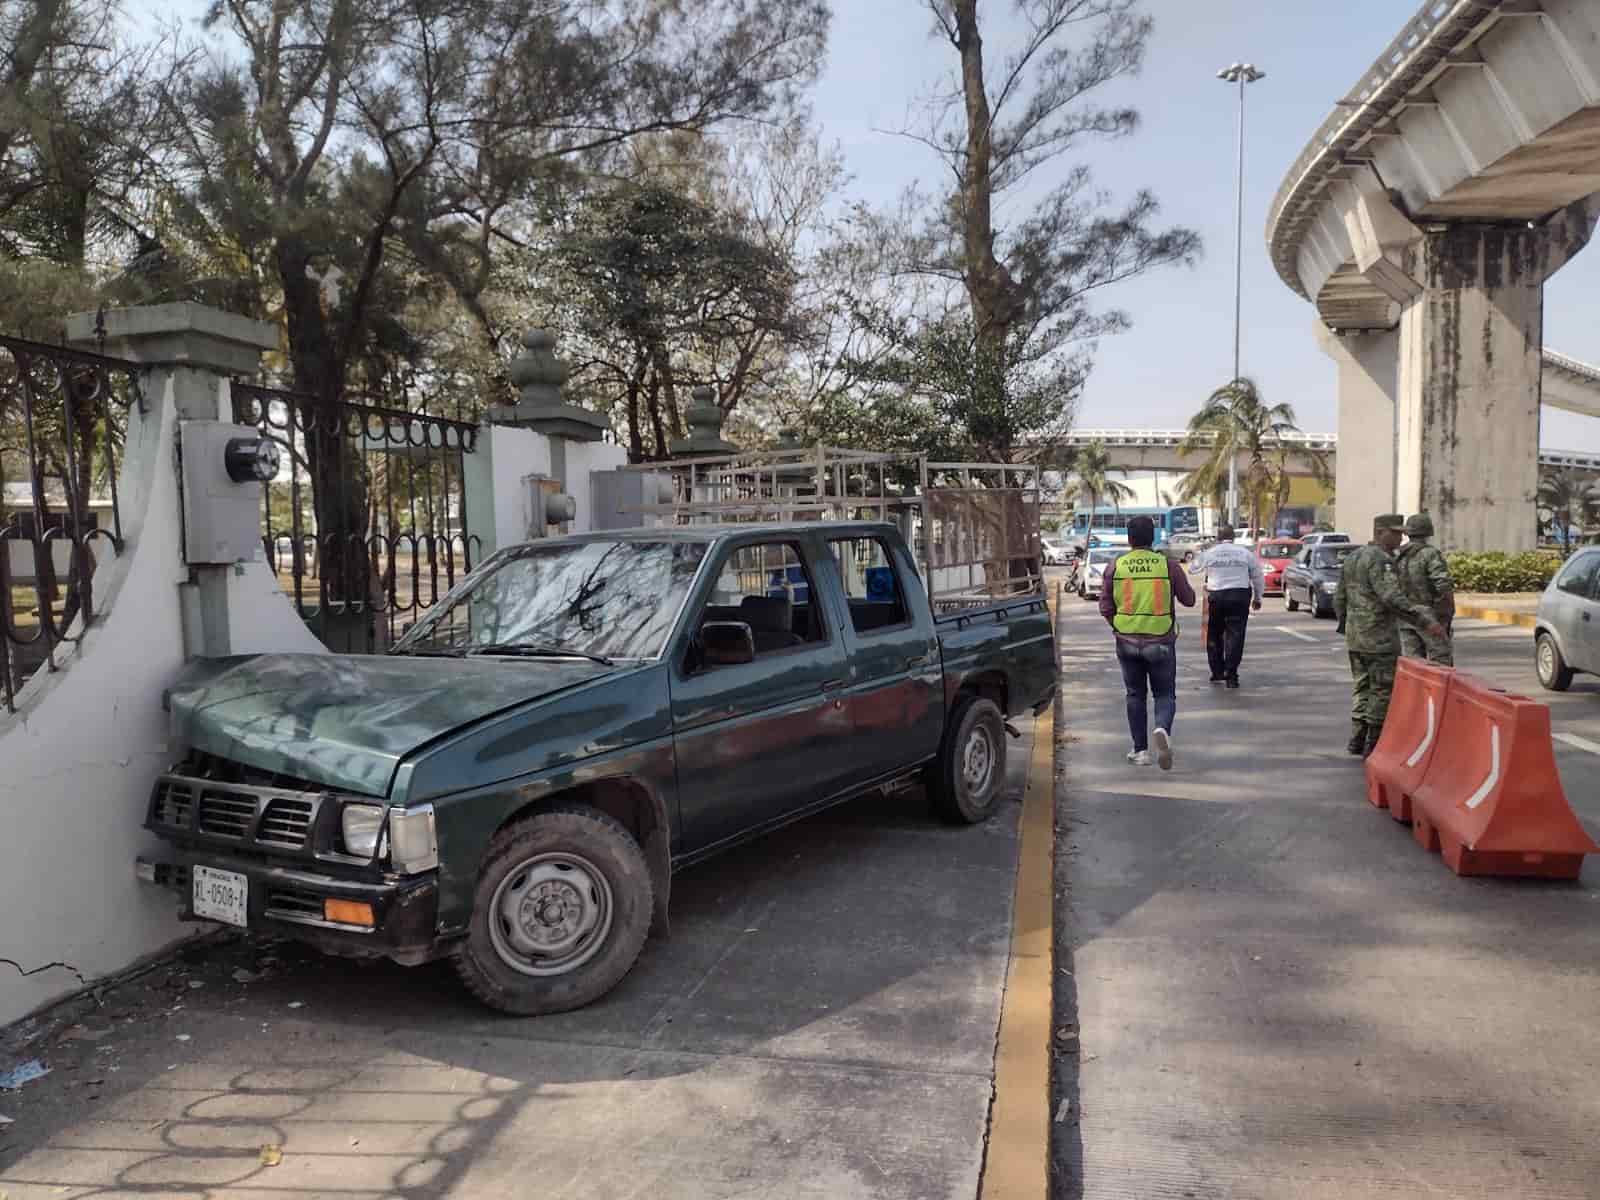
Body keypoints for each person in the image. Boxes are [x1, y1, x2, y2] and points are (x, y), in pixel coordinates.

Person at [1335, 514, 1447, 758]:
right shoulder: (1381, 560)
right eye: (1396, 533)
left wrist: (1347, 625)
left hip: (1356, 638)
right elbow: (1392, 598)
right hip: (1379, 639)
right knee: (1382, 690)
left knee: (1362, 686)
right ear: (1381, 532)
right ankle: (1373, 744)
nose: (1401, 537)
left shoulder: (1353, 557)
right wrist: (1425, 621)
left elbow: (1339, 598)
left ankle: (1356, 738)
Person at [1099, 515, 1196, 769]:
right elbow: (1189, 600)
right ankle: (1162, 728)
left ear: (1129, 539)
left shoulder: (1115, 566)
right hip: (1161, 640)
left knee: (1135, 694)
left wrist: (1120, 627)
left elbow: (1105, 606)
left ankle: (1140, 751)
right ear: (1152, 537)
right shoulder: (1168, 565)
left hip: (1126, 641)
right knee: (1164, 694)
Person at [1195, 524, 1264, 688]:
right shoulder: (1245, 553)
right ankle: (1231, 675)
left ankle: (1217, 671)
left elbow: (1193, 568)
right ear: (1233, 537)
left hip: (1216, 596)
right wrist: (1258, 597)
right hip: (1239, 596)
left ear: (1218, 538)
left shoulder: (1210, 553)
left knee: (1214, 634)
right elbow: (1257, 576)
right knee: (1236, 635)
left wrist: (1210, 565)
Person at [1395, 512, 1455, 665]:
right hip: (1428, 615)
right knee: (1441, 659)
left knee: (1413, 664)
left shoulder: (1398, 554)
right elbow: (1443, 585)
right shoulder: (1430, 554)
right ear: (1428, 531)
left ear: (1408, 532)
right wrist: (1446, 613)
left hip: (1405, 615)